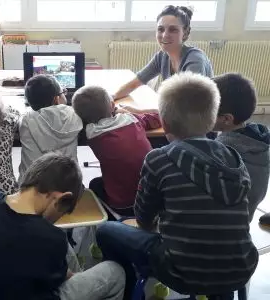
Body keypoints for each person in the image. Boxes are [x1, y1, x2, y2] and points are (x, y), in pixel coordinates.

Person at [96, 72, 258, 299]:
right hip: (240, 267)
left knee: (105, 230)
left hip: (182, 273)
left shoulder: (158, 159)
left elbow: (144, 219)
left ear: (163, 121)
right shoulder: (233, 157)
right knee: (217, 256)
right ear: (212, 119)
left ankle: (126, 285)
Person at [0, 153, 126, 300]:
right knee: (115, 272)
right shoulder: (50, 238)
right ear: (60, 198)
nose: (56, 220)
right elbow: (59, 281)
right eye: (61, 213)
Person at [72, 85, 161, 216]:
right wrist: (131, 112)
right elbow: (157, 118)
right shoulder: (133, 119)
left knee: (94, 184)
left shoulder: (90, 133)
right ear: (113, 105)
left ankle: (109, 218)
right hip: (153, 198)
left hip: (123, 205)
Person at [113, 5, 213, 101]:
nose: (165, 35)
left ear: (185, 33)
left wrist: (139, 112)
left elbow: (187, 107)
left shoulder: (195, 60)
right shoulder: (162, 57)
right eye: (160, 29)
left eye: (173, 30)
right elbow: (135, 83)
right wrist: (111, 98)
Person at [213, 73, 270, 222]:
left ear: (226, 119)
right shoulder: (257, 139)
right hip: (247, 215)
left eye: (207, 111)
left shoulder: (222, 150)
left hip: (225, 223)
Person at [19, 74, 83, 180]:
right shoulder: (74, 115)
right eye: (63, 92)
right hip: (70, 187)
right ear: (56, 99)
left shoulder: (26, 119)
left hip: (30, 189)